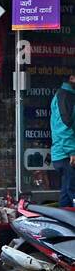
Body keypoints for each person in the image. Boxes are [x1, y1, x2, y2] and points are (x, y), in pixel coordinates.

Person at [50, 73, 75, 207]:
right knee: (72, 192)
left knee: (66, 194)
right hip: (66, 155)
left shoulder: (66, 95)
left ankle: (63, 225)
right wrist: (72, 151)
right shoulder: (66, 96)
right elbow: (64, 126)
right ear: (72, 78)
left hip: (63, 154)